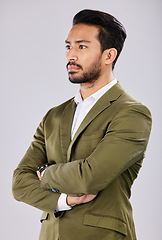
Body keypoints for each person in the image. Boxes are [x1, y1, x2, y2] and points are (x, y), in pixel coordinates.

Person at [12, 9, 152, 240]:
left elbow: (90, 177)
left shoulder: (131, 113)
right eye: (68, 46)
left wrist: (45, 173)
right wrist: (63, 200)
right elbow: (19, 182)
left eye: (82, 47)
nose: (71, 55)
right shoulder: (54, 116)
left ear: (109, 56)